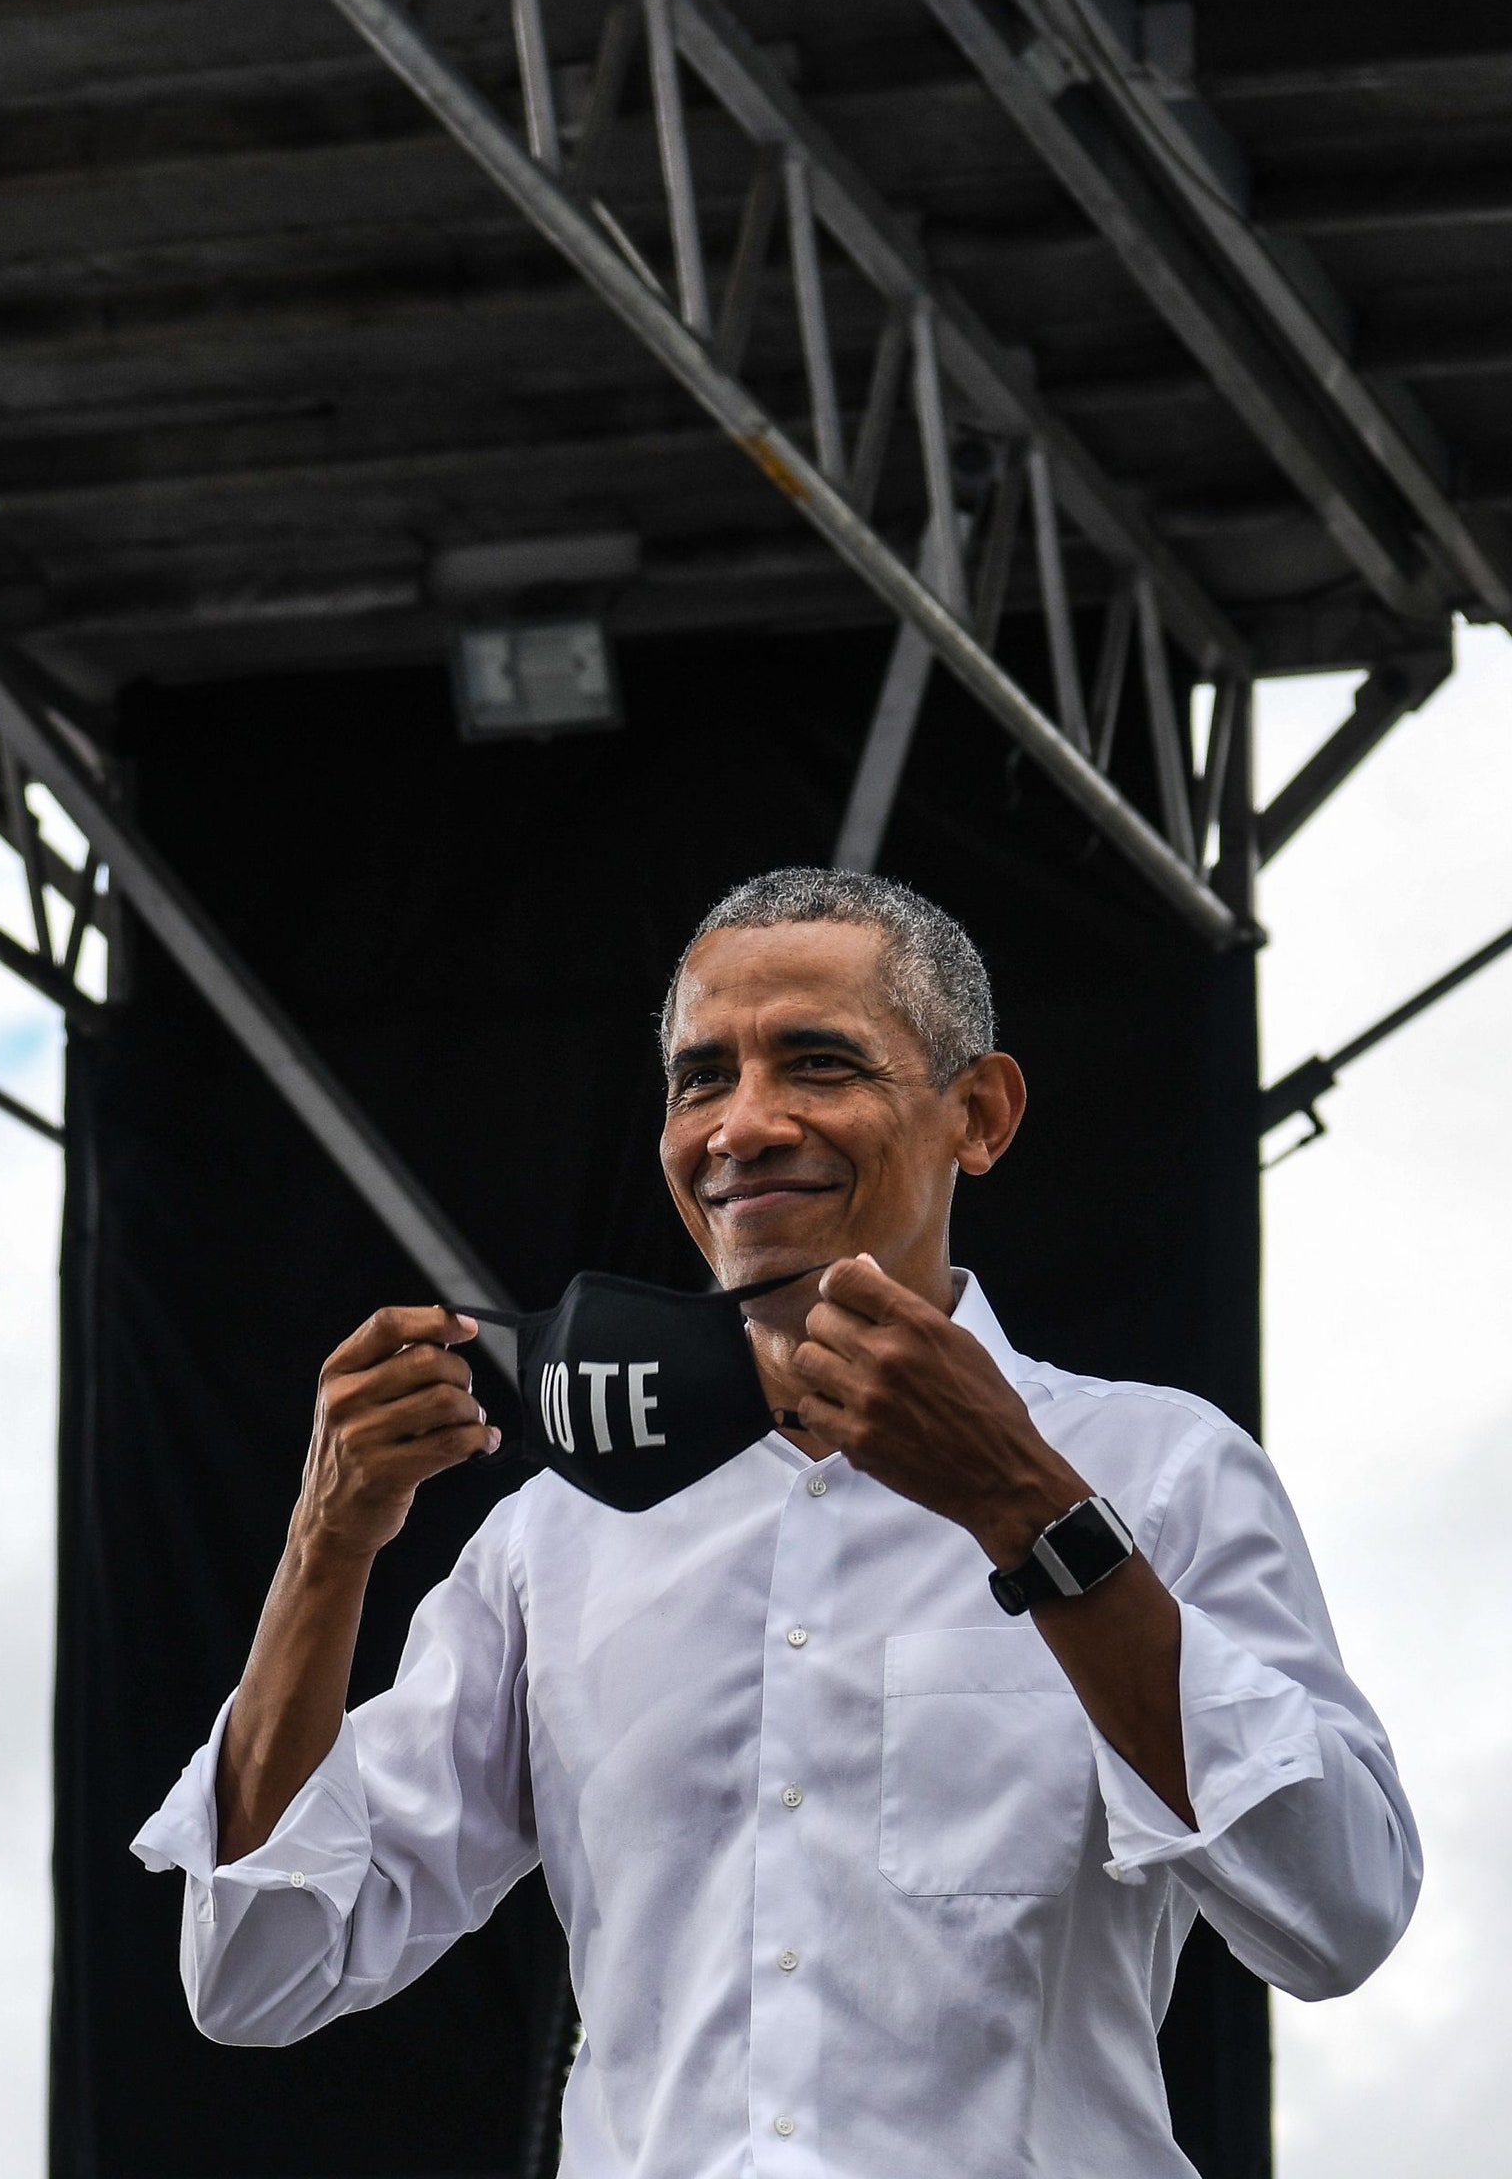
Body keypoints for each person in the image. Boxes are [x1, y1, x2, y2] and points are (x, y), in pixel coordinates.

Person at [135, 867, 1420, 2176]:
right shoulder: (555, 1540)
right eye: (701, 1079)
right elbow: (258, 1970)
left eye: (818, 1063)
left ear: (979, 1114)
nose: (743, 1126)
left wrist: (1028, 1508)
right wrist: (324, 1547)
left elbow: (1344, 1909)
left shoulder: (1159, 1469)